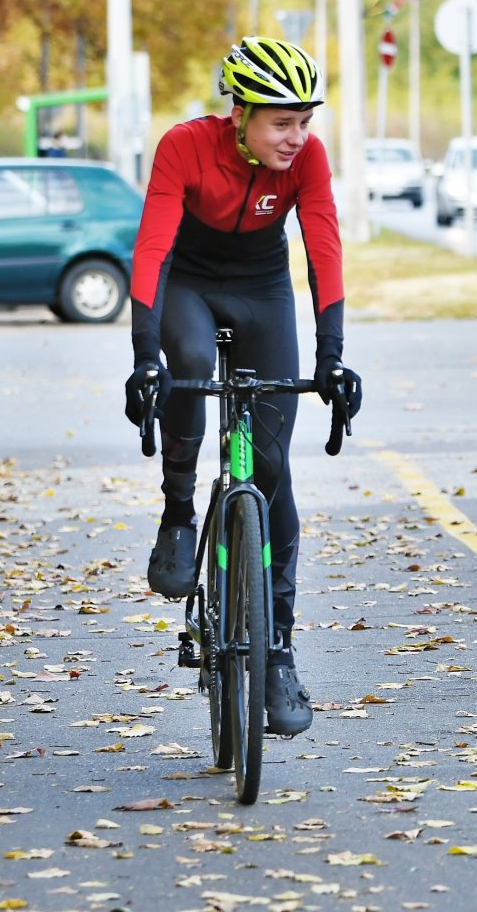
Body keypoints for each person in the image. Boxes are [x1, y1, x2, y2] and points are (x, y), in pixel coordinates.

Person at [121, 36, 364, 736]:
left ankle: (278, 650)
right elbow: (154, 248)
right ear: (240, 114)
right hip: (190, 286)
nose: (297, 137)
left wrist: (334, 355)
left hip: (262, 289)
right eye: (281, 122)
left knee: (273, 470)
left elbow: (323, 247)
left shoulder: (306, 162)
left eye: (306, 121)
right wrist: (146, 356)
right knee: (190, 367)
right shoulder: (185, 147)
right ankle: (177, 512)